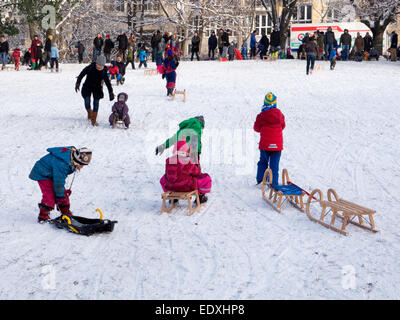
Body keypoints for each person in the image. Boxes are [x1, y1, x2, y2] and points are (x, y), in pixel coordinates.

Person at [29, 146, 92, 223]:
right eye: (81, 165)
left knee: (62, 193)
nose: (81, 167)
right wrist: (60, 196)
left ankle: (65, 212)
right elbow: (58, 183)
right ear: (77, 160)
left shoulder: (72, 157)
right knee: (50, 195)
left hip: (53, 173)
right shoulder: (63, 164)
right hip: (43, 173)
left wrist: (62, 194)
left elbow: (59, 181)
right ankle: (43, 215)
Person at [160, 140, 212, 204]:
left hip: (171, 187)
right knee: (206, 178)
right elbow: (197, 173)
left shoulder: (169, 160)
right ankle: (201, 196)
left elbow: (168, 174)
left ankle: (173, 197)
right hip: (186, 187)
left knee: (163, 178)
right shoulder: (188, 160)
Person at [254, 93, 285, 186]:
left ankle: (260, 180)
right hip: (277, 146)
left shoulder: (261, 116)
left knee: (263, 162)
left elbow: (256, 128)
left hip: (265, 145)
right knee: (274, 165)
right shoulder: (280, 115)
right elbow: (283, 126)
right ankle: (274, 183)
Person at [75, 55, 115, 126]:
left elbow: (108, 83)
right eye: (98, 64)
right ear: (96, 63)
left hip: (97, 88)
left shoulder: (104, 72)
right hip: (87, 86)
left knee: (96, 104)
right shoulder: (90, 67)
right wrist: (78, 83)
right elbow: (82, 74)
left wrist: (111, 92)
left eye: (101, 65)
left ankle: (93, 120)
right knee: (87, 102)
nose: (99, 66)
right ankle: (89, 112)